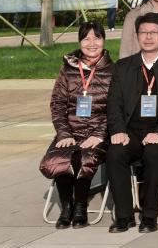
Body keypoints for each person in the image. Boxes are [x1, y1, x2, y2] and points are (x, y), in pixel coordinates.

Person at [105, 12, 158, 233]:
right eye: (143, 32)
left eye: (154, 32)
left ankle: (149, 216)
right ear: (137, 36)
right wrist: (118, 130)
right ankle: (124, 216)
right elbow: (114, 103)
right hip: (131, 132)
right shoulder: (123, 66)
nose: (148, 37)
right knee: (115, 152)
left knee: (154, 152)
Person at [40, 22, 113, 229]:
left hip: (99, 132)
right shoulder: (67, 69)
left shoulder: (114, 70)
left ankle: (80, 206)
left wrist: (100, 134)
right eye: (86, 38)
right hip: (70, 131)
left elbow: (116, 109)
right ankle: (67, 206)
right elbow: (57, 104)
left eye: (97, 38)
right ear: (80, 41)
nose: (92, 43)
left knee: (84, 157)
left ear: (104, 40)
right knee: (59, 157)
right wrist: (64, 134)